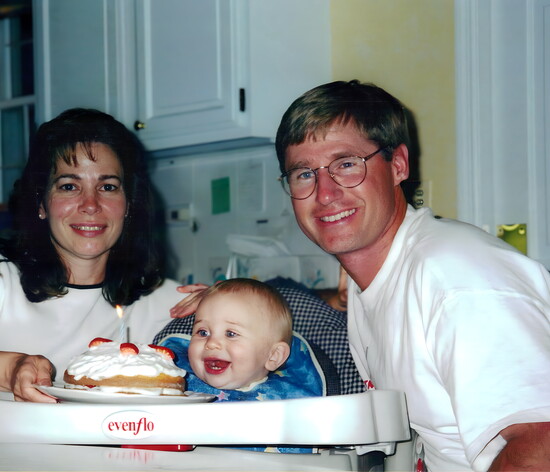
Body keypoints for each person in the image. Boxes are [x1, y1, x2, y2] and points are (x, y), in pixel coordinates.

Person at [173, 81, 550, 471]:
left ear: (398, 165)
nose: (325, 193)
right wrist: (229, 305)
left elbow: (542, 444)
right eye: (304, 173)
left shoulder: (458, 278)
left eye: (347, 164)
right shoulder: (374, 278)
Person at [0, 108, 186, 403]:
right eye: (69, 186)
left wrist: (227, 307)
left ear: (129, 205)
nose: (90, 204)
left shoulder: (167, 302)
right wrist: (9, 367)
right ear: (41, 203)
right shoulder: (4, 282)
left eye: (108, 186)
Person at [160, 278, 325, 400]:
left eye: (231, 334)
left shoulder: (289, 402)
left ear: (273, 356)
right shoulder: (176, 387)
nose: (212, 343)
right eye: (203, 332)